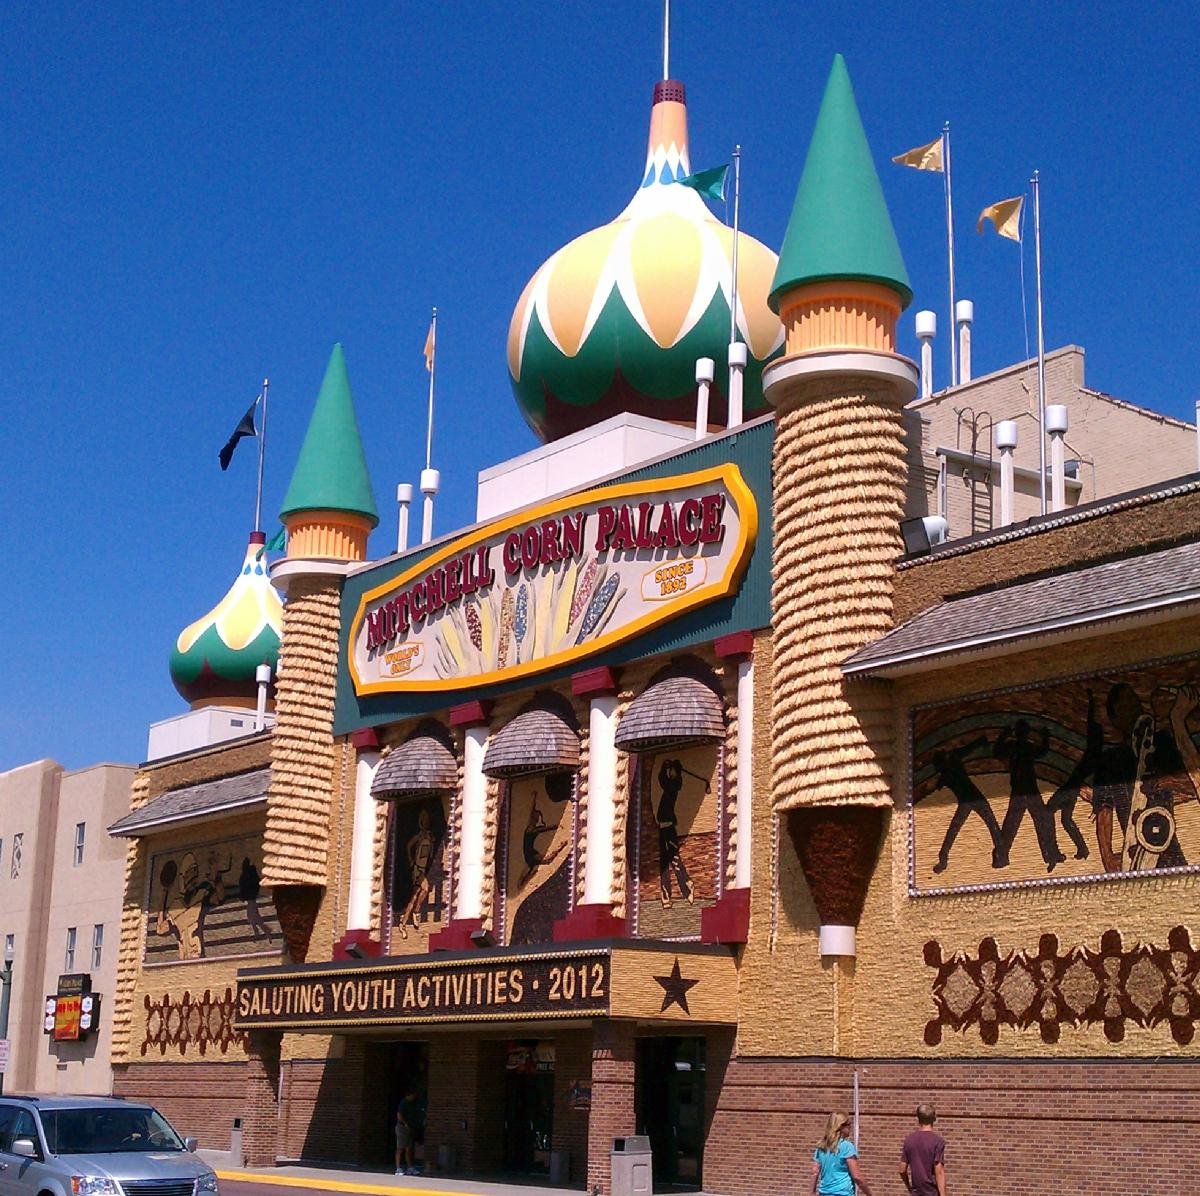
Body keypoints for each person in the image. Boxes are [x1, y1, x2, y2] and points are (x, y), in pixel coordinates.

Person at [811, 1112, 872, 1196]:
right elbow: (857, 1176)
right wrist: (869, 1193)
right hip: (842, 1193)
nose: (851, 1127)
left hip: (824, 1193)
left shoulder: (821, 1146)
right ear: (841, 1126)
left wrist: (812, 1192)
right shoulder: (847, 1146)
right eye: (849, 1124)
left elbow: (815, 1172)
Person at [899, 1103, 946, 1196]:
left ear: (918, 1119)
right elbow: (939, 1172)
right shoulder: (937, 1141)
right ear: (934, 1119)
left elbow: (902, 1170)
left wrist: (910, 1188)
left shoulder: (909, 1140)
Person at [394, 1090, 418, 1175]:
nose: (414, 1097)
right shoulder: (403, 1103)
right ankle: (398, 1168)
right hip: (402, 1127)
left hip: (410, 1128)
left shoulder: (412, 1103)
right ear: (409, 1095)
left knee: (409, 1148)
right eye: (413, 1095)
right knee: (400, 1148)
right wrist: (405, 1123)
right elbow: (399, 1115)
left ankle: (410, 1168)